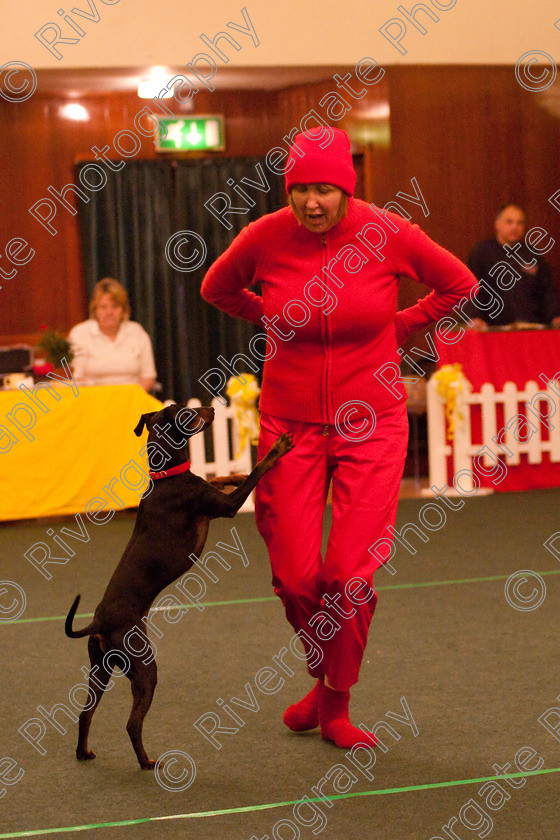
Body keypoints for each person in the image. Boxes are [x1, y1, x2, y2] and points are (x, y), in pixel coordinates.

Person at [201, 128, 478, 749]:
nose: (311, 202)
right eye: (300, 189)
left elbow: (460, 285)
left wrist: (398, 328)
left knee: (348, 577)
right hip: (288, 423)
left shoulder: (389, 232)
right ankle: (326, 677)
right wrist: (272, 316)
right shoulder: (265, 236)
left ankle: (335, 703)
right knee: (297, 577)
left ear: (347, 188)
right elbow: (216, 288)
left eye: (324, 188)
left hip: (372, 422)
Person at [466, 204, 560, 329]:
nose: (514, 227)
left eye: (519, 223)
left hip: (530, 327)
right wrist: (473, 316)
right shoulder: (482, 253)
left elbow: (546, 292)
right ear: (497, 224)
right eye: (509, 222)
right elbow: (472, 287)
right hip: (494, 329)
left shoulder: (533, 255)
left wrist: (555, 316)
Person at [69, 278, 157, 391]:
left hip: (132, 400)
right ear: (95, 310)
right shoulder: (80, 333)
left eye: (115, 306)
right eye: (103, 307)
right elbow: (76, 378)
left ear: (123, 310)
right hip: (93, 399)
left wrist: (129, 398)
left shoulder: (137, 332)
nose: (109, 312)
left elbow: (148, 376)